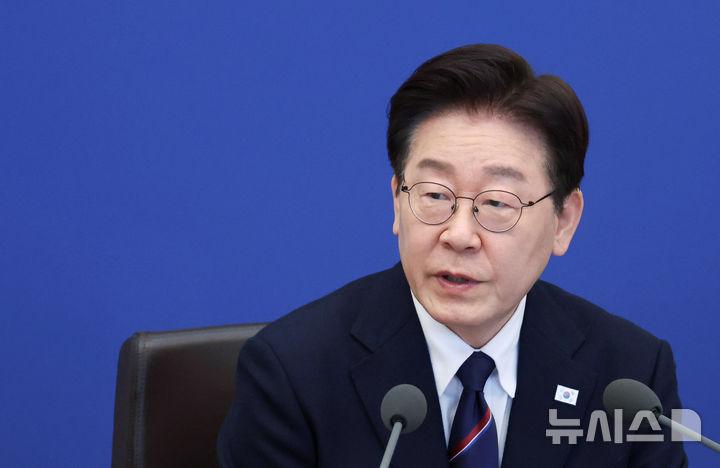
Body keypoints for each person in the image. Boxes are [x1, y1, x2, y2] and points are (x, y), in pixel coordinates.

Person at [218, 44, 687, 467]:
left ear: (564, 220)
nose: (459, 235)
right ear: (397, 201)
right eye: (435, 195)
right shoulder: (294, 373)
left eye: (497, 203)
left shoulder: (629, 377)